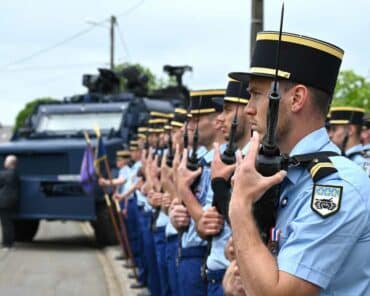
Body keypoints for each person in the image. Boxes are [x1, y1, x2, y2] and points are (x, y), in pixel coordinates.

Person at [227, 31, 370, 295]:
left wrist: (239, 206)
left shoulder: (337, 186)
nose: (248, 108)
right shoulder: (286, 172)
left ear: (296, 99)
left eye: (256, 95)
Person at [328, 106, 370, 174]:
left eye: (334, 129)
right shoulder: (344, 159)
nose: (330, 135)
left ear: (350, 130)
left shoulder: (361, 164)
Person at [0, 155, 20, 248]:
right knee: (8, 222)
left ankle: (7, 243)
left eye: (6, 161)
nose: (4, 162)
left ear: (10, 163)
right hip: (11, 201)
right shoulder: (15, 173)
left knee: (6, 223)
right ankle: (9, 242)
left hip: (5, 201)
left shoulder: (7, 174)